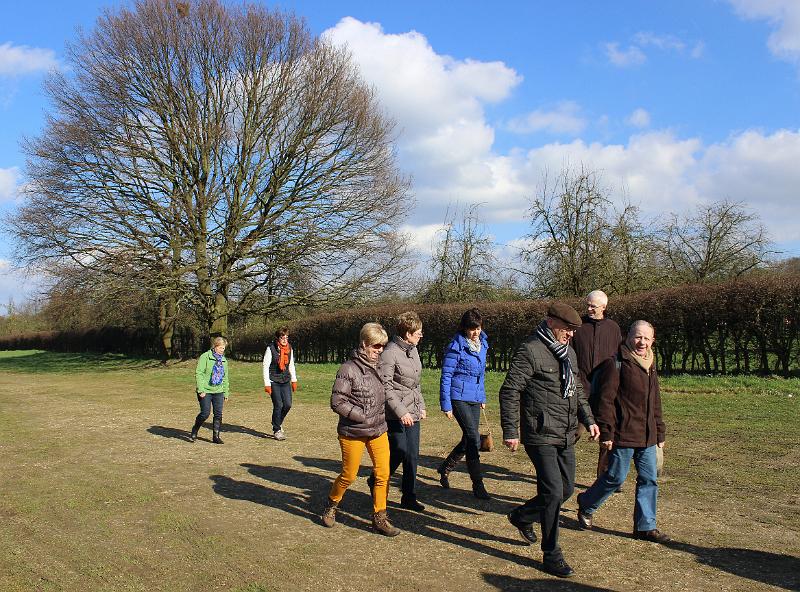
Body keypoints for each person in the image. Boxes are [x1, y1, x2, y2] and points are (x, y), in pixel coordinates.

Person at [499, 303, 600, 579]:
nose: (570, 335)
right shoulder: (530, 349)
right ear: (551, 322)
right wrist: (511, 430)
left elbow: (577, 388)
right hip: (539, 432)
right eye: (567, 329)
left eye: (573, 331)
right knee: (554, 492)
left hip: (566, 432)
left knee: (565, 489)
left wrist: (589, 420)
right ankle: (551, 553)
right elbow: (509, 391)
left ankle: (521, 516)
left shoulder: (568, 351)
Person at [576, 321, 670, 544]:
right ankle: (587, 503)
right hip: (623, 433)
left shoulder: (651, 363)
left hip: (647, 435)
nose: (642, 343)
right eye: (638, 337)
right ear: (629, 336)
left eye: (647, 339)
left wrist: (660, 431)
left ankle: (645, 527)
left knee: (649, 479)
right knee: (615, 477)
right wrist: (607, 433)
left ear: (652, 341)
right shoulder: (615, 363)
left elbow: (655, 400)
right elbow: (605, 401)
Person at [321, 322, 400, 537]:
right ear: (364, 344)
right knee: (349, 475)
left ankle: (380, 518)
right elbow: (337, 401)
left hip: (378, 430)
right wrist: (361, 415)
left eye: (382, 346)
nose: (379, 351)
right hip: (353, 432)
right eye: (376, 346)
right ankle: (331, 505)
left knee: (383, 473)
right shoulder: (348, 369)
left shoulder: (380, 367)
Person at [373, 311, 427, 511]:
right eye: (418, 332)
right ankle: (376, 481)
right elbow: (385, 386)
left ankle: (409, 496)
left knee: (412, 455)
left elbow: (415, 383)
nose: (421, 336)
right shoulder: (389, 353)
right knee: (399, 450)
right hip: (394, 413)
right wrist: (401, 411)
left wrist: (420, 405)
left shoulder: (413, 350)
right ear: (407, 333)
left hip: (412, 410)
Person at [438, 307, 491, 500]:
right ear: (464, 328)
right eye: (471, 329)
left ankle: (445, 467)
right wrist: (446, 404)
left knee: (469, 439)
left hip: (475, 397)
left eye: (477, 328)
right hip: (458, 396)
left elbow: (481, 374)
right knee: (473, 437)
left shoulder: (483, 343)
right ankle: (478, 484)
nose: (475, 332)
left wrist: (482, 397)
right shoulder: (456, 346)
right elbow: (446, 375)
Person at [572, 290, 623, 477]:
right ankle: (562, 469)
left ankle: (604, 477)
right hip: (581, 388)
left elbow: (618, 358)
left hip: (605, 391)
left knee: (607, 436)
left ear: (604, 307)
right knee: (573, 432)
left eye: (593, 306)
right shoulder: (578, 327)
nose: (589, 309)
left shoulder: (613, 328)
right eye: (588, 305)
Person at [190, 336, 230, 444]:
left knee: (218, 414)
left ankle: (216, 437)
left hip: (219, 390)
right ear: (215, 346)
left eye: (224, 348)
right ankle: (195, 429)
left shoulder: (224, 361)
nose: (223, 350)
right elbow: (199, 373)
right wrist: (201, 389)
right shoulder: (205, 357)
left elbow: (225, 377)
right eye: (221, 348)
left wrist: (226, 392)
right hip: (206, 390)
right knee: (205, 413)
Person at [262, 327, 298, 441]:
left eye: (287, 337)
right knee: (279, 405)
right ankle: (277, 429)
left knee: (287, 404)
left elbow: (291, 364)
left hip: (285, 379)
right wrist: (267, 384)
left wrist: (294, 380)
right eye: (282, 337)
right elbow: (265, 366)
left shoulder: (289, 348)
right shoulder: (271, 348)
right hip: (274, 380)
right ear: (278, 338)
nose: (285, 340)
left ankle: (277, 421)